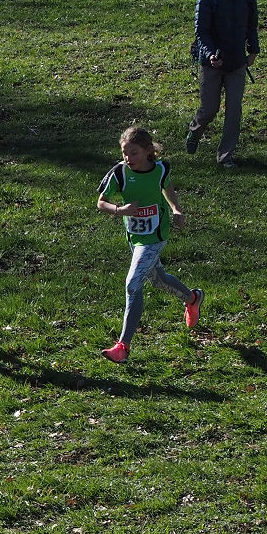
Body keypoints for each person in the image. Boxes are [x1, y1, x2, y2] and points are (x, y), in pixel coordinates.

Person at [97, 127, 204, 364]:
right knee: (158, 279)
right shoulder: (120, 173)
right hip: (135, 237)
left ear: (147, 151)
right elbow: (101, 202)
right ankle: (192, 298)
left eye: (133, 153)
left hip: (156, 235)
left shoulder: (160, 169)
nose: (128, 158)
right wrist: (120, 210)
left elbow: (167, 188)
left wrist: (176, 209)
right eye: (125, 153)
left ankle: (123, 347)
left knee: (133, 284)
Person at [185, 0, 260, 169]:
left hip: (237, 62)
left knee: (234, 110)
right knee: (209, 109)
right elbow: (201, 32)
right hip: (212, 63)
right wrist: (211, 54)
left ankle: (225, 156)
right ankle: (195, 130)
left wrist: (253, 50)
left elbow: (252, 25)